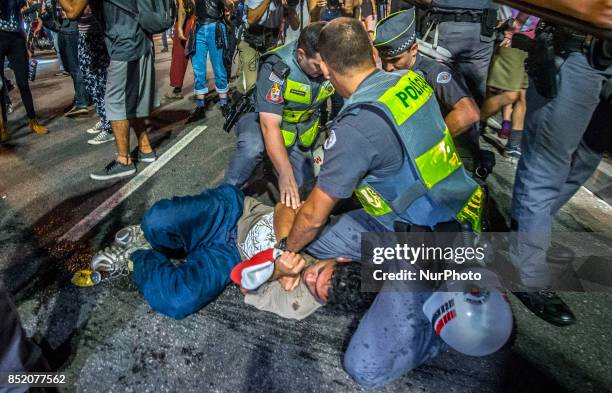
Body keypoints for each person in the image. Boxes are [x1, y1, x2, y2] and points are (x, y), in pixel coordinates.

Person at [276, 18, 483, 388]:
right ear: (372, 54)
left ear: (324, 67)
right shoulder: (408, 81)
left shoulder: (354, 128)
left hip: (430, 248)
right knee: (317, 244)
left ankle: (439, 323)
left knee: (364, 368)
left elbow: (310, 216)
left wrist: (286, 254)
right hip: (415, 218)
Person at [90, 183, 368, 320]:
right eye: (318, 272)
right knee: (158, 221)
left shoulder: (299, 304)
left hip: (229, 257)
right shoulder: (334, 237)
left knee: (176, 301)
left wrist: (276, 271)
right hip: (236, 212)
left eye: (315, 289)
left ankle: (137, 255)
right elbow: (286, 206)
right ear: (341, 259)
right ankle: (149, 236)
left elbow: (243, 281)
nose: (309, 278)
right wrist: (283, 248)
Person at [507, 1, 612, 326]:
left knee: (584, 160)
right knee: (545, 171)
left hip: (603, 60)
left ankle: (523, 235)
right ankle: (526, 272)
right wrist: (588, 11)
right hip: (575, 51)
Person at [224, 22, 335, 209]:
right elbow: (270, 125)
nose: (326, 72)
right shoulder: (277, 68)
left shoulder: (332, 61)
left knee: (301, 194)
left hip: (300, 129)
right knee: (253, 148)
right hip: (263, 119)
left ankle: (269, 168)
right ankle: (221, 200)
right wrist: (285, 172)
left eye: (328, 64)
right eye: (318, 65)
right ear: (301, 55)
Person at [60, 0, 160, 181]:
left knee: (115, 101)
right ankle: (145, 149)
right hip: (133, 39)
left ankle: (124, 160)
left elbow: (74, 12)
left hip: (127, 43)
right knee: (131, 99)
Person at [373, 9, 480, 139]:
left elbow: (468, 114)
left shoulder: (434, 72)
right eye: (383, 61)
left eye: (395, 60)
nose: (388, 68)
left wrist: (430, 142)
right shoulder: (399, 71)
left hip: (455, 148)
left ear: (413, 50)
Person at [480, 7, 538, 159]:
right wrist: (512, 30)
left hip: (533, 41)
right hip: (514, 38)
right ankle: (476, 122)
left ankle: (513, 144)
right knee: (510, 94)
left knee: (521, 96)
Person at [0, 0, 48, 136]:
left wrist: (26, 45)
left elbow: (19, 16)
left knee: (23, 82)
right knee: (0, 86)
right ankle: (3, 127)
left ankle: (33, 121)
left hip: (16, 38)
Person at [186, 0, 233, 123]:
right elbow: (188, 6)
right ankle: (200, 106)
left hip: (216, 27)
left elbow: (231, 5)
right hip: (199, 27)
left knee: (219, 68)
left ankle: (224, 104)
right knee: (198, 70)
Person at [74, 3, 114, 145]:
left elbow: (74, 13)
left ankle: (109, 127)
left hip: (95, 37)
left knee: (99, 84)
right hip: (85, 36)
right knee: (91, 84)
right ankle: (105, 119)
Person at [234, 0, 286, 95]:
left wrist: (288, 7)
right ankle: (239, 105)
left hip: (270, 42)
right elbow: (251, 19)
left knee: (269, 83)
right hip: (250, 41)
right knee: (250, 84)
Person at [57, 7, 90, 117]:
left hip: (71, 27)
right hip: (65, 27)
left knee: (75, 67)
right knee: (71, 68)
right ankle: (80, 98)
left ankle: (81, 103)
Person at [165, 0, 196, 100]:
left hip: (185, 23)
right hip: (195, 22)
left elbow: (183, 8)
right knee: (196, 57)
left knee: (179, 57)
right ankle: (200, 90)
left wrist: (179, 29)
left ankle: (177, 90)